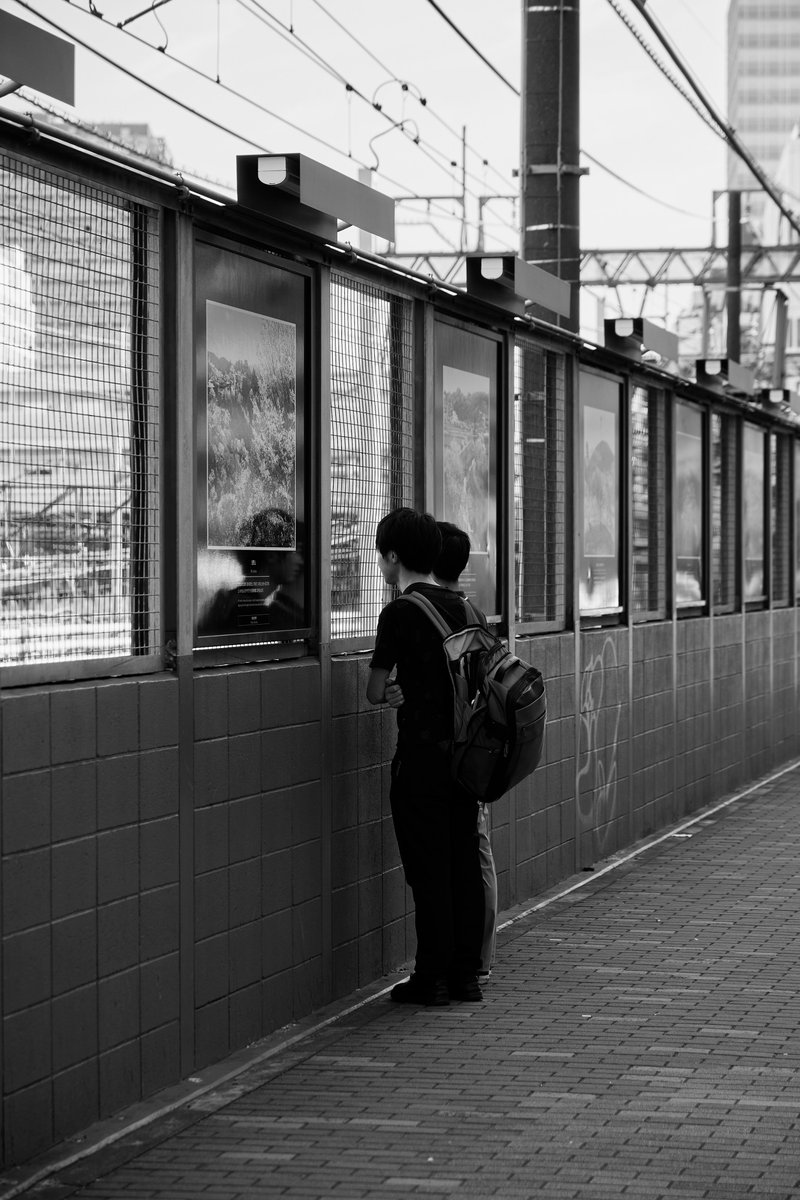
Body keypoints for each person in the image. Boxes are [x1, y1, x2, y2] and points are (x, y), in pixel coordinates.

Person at [367, 507, 486, 1006]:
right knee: (464, 865)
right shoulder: (467, 609)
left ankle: (430, 978)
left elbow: (375, 689)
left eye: (381, 556)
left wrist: (396, 689)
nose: (381, 564)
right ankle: (465, 977)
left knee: (428, 869)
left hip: (419, 762)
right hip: (466, 762)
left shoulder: (399, 612)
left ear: (394, 557)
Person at [432, 521, 498, 982]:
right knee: (479, 851)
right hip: (475, 745)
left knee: (473, 854)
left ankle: (476, 959)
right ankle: (481, 955)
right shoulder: (473, 611)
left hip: (451, 748)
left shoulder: (435, 611)